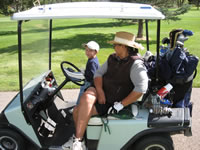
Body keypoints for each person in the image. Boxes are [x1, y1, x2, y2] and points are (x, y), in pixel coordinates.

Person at [62, 31, 149, 150]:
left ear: (123, 46)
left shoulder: (135, 64)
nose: (113, 47)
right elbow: (98, 74)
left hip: (112, 100)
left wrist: (121, 105)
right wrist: (100, 90)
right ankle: (78, 141)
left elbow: (141, 89)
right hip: (101, 91)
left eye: (115, 45)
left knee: (77, 110)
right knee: (87, 97)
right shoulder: (113, 58)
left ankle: (78, 140)